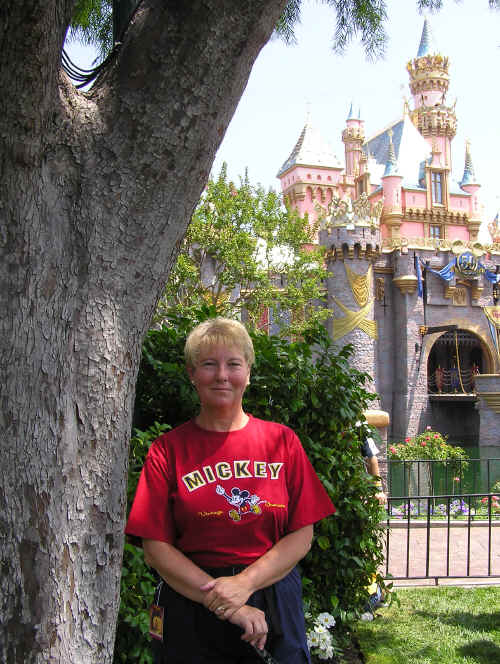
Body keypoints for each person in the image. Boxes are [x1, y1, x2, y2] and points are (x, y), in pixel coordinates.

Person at [126, 317, 335, 664]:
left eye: (233, 364)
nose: (222, 375)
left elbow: (302, 536)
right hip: (190, 601)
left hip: (272, 603)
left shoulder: (282, 442)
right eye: (209, 364)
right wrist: (228, 602)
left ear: (248, 373)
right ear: (192, 374)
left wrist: (245, 585)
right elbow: (155, 549)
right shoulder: (168, 450)